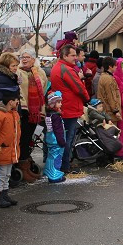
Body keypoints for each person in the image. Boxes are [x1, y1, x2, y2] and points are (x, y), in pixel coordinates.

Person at [48, 43, 89, 173]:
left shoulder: (57, 67)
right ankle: (65, 166)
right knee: (67, 139)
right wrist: (86, 98)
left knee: (62, 137)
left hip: (64, 106)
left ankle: (60, 165)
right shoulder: (67, 69)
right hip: (69, 108)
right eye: (72, 55)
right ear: (65, 55)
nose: (75, 58)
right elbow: (79, 88)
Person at [17, 50, 47, 182]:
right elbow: (18, 91)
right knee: (23, 138)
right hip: (24, 111)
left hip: (36, 112)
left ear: (33, 59)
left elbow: (44, 89)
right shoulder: (18, 72)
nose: (24, 59)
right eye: (22, 57)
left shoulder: (39, 72)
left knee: (31, 138)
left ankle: (26, 163)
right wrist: (24, 107)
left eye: (27, 57)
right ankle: (22, 165)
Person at [0, 93, 21, 207]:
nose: (18, 102)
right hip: (3, 150)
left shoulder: (14, 114)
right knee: (1, 174)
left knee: (7, 174)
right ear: (10, 101)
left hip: (11, 150)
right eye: (16, 100)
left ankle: (4, 194)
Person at [42, 90, 66, 183]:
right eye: (58, 102)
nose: (61, 104)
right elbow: (58, 130)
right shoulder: (56, 116)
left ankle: (51, 174)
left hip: (50, 139)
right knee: (57, 158)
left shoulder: (49, 115)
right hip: (56, 140)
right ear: (53, 104)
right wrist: (62, 141)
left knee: (51, 157)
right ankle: (55, 176)